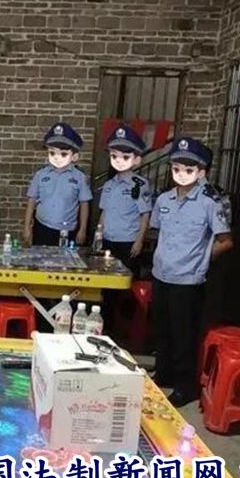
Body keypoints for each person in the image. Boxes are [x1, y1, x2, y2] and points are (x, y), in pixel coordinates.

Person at [149, 137, 234, 408]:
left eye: (189, 169)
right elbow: (157, 231)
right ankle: (163, 374)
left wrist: (202, 260)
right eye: (177, 168)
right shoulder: (164, 199)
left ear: (201, 172)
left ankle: (185, 387)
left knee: (183, 334)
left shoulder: (209, 202)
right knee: (162, 329)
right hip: (162, 274)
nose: (182, 173)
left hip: (188, 280)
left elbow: (225, 241)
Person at [96, 126, 152, 336]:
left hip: (128, 241)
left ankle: (125, 333)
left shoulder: (140, 184)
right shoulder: (109, 185)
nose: (119, 160)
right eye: (115, 156)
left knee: (125, 290)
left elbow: (145, 214)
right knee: (106, 288)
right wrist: (98, 234)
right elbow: (104, 212)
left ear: (136, 159)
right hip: (108, 241)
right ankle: (106, 328)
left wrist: (139, 240)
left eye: (125, 156)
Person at [24, 123, 92, 247]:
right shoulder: (41, 174)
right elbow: (31, 200)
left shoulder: (79, 177)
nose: (57, 158)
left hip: (67, 230)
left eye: (63, 154)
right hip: (42, 226)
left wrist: (82, 230)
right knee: (40, 258)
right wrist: (27, 227)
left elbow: (84, 204)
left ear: (74, 156)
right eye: (52, 153)